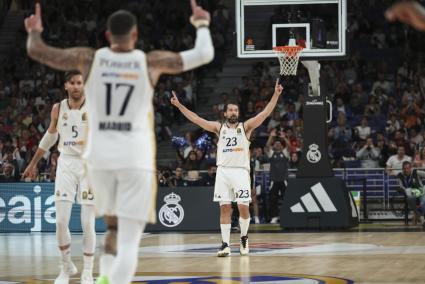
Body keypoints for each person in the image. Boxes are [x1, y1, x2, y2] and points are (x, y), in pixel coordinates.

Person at [24, 1, 214, 283]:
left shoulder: (89, 59)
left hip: (100, 160)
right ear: (135, 36)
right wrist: (201, 24)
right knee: (128, 239)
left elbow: (37, 51)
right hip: (135, 160)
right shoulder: (150, 62)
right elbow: (204, 53)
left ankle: (103, 276)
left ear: (107, 36)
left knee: (112, 231)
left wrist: (35, 32)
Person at [171, 79, 284, 256]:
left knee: (243, 208)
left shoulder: (245, 127)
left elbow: (265, 113)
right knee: (224, 208)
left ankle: (244, 237)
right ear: (225, 113)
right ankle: (225, 244)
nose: (233, 112)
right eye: (230, 109)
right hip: (223, 171)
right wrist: (179, 106)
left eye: (236, 110)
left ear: (238, 113)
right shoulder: (218, 128)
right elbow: (196, 119)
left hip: (240, 171)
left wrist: (276, 94)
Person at [22, 71, 95, 284]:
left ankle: (87, 272)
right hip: (66, 163)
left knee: (87, 222)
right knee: (61, 221)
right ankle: (65, 267)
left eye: (79, 83)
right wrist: (34, 162)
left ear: (84, 85)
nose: (75, 86)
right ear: (66, 85)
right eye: (72, 83)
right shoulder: (58, 108)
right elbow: (51, 136)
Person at [264, 128, 291, 224]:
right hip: (274, 180)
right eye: (276, 144)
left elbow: (289, 147)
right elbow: (267, 146)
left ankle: (287, 215)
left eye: (279, 144)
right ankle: (274, 217)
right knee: (273, 200)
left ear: (281, 146)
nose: (277, 145)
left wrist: (284, 138)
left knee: (287, 198)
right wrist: (271, 136)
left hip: (284, 180)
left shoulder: (285, 153)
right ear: (274, 146)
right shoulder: (272, 154)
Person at [397, 161, 425, 226]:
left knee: (423, 202)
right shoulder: (400, 175)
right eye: (405, 168)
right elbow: (401, 186)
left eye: (408, 168)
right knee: (410, 199)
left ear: (410, 168)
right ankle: (422, 219)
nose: (407, 170)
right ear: (402, 169)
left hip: (420, 192)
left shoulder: (415, 172)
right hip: (410, 194)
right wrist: (406, 190)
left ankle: (421, 217)